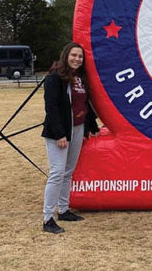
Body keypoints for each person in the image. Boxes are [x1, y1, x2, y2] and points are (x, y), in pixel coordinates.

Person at [41, 42, 99, 234]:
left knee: (68, 172)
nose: (77, 59)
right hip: (60, 133)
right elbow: (52, 108)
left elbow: (85, 105)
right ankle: (47, 218)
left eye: (80, 56)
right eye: (74, 55)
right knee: (57, 173)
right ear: (66, 56)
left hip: (77, 128)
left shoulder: (81, 78)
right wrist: (59, 134)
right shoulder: (54, 78)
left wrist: (91, 126)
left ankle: (63, 210)